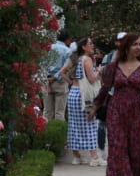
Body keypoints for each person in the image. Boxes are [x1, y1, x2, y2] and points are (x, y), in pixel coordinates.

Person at [88, 33, 140, 176]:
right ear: (126, 47)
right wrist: (94, 108)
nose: (138, 47)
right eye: (134, 44)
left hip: (135, 112)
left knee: (133, 148)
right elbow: (105, 88)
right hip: (115, 110)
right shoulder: (113, 66)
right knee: (117, 149)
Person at [66, 36, 106, 166]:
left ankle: (76, 156)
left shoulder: (76, 59)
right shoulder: (87, 59)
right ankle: (94, 157)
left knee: (74, 125)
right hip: (84, 96)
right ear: (83, 46)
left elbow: (64, 72)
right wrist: (99, 70)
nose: (92, 45)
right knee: (90, 124)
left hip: (74, 92)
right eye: (90, 43)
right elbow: (92, 78)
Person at [97, 31, 127, 159]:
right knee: (103, 123)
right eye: (121, 41)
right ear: (116, 42)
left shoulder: (135, 59)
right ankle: (101, 149)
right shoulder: (108, 57)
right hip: (110, 94)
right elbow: (102, 74)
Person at [43, 29, 72, 121]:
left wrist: (47, 77)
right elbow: (66, 67)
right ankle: (59, 133)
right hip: (60, 82)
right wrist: (56, 77)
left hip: (46, 80)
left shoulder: (48, 48)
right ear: (67, 39)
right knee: (59, 112)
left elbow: (42, 63)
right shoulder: (67, 51)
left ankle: (45, 132)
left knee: (47, 111)